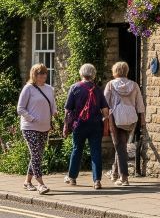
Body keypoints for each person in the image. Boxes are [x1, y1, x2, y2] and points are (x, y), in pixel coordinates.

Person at [63, 63, 109, 189]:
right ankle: (97, 181)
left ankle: (72, 178)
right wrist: (105, 121)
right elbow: (105, 110)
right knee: (96, 151)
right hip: (96, 125)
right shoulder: (98, 89)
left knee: (77, 149)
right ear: (93, 74)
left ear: (81, 73)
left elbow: (68, 109)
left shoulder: (75, 87)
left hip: (79, 124)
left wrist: (66, 125)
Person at [17, 64, 57, 194]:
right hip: (30, 127)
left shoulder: (49, 89)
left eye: (45, 73)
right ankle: (41, 184)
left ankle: (27, 182)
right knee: (35, 154)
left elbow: (53, 105)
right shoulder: (28, 88)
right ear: (34, 75)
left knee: (38, 155)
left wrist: (55, 112)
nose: (44, 75)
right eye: (40, 73)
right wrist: (32, 118)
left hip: (44, 127)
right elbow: (20, 108)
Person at [103, 61, 145, 186]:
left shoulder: (111, 85)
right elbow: (140, 104)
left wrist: (104, 116)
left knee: (119, 146)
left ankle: (124, 177)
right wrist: (142, 119)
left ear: (115, 71)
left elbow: (105, 103)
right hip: (131, 118)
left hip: (115, 117)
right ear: (126, 71)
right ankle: (115, 172)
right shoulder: (134, 85)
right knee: (121, 145)